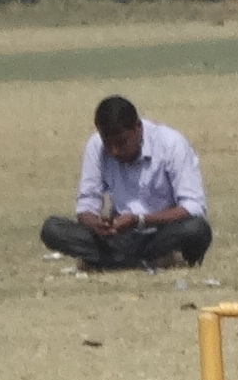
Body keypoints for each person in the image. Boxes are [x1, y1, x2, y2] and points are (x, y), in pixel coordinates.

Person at [41, 95, 210, 270]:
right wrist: (97, 224)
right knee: (52, 229)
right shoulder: (96, 146)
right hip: (119, 237)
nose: (114, 151)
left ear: (138, 128)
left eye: (122, 142)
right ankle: (147, 263)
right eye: (108, 144)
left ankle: (108, 262)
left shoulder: (171, 144)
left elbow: (194, 206)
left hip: (162, 233)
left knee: (196, 229)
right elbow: (86, 205)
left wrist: (140, 220)